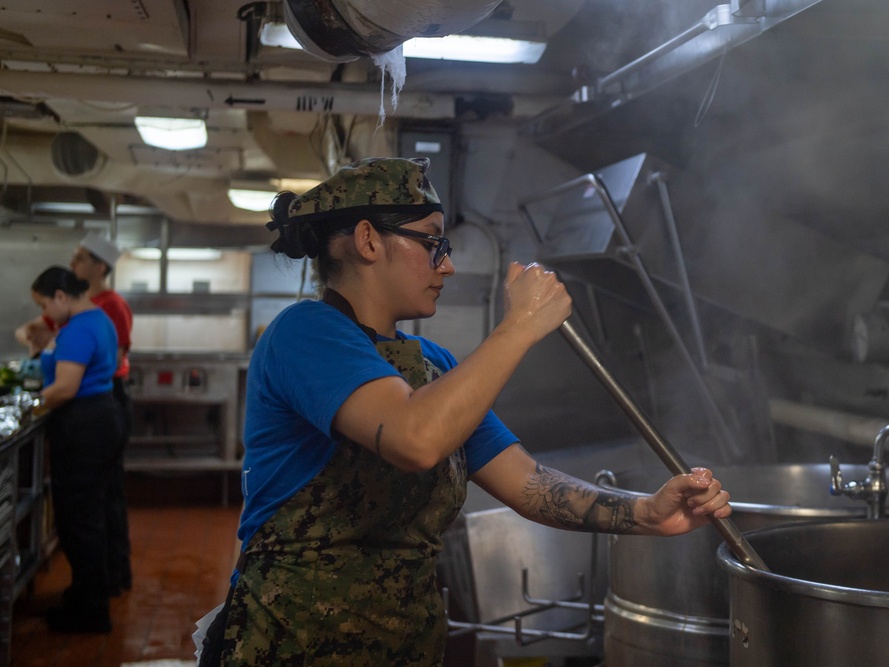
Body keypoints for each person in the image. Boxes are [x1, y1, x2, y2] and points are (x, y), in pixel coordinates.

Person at [213, 157, 732, 666]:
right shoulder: (304, 333)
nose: (448, 264)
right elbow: (413, 437)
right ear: (369, 240)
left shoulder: (435, 367)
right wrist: (520, 325)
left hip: (403, 643)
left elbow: (529, 484)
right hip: (291, 643)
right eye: (433, 243)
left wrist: (644, 512)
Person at [16, 232, 134, 594]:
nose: (74, 264)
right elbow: (36, 333)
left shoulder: (100, 312)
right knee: (91, 509)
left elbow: (73, 381)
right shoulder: (88, 313)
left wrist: (34, 403)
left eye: (80, 258)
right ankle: (98, 588)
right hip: (97, 412)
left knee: (90, 511)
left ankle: (100, 590)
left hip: (93, 414)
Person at [29, 266, 125, 633]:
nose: (45, 314)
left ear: (60, 296)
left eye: (44, 305)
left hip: (84, 425)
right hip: (100, 419)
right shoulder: (98, 320)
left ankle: (89, 612)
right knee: (90, 516)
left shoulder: (79, 329)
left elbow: (65, 387)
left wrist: (32, 405)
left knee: (78, 520)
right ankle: (87, 596)